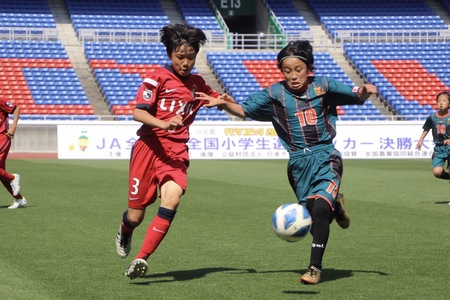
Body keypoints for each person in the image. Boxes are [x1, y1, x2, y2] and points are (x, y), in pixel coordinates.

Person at [198, 40, 377, 285]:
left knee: (320, 208)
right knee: (315, 219)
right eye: (287, 71)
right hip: (298, 165)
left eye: (298, 70)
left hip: (326, 156)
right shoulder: (274, 94)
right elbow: (243, 111)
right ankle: (337, 207)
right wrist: (224, 103)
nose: (293, 76)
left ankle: (314, 268)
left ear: (309, 68)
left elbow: (357, 96)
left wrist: (365, 91)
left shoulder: (323, 85)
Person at [115, 23, 222, 279]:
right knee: (135, 216)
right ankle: (125, 229)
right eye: (180, 57)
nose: (186, 62)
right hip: (148, 148)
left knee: (171, 200)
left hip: (175, 152)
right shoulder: (157, 77)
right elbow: (137, 112)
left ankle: (141, 258)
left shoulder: (197, 83)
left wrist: (222, 102)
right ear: (169, 54)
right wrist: (163, 122)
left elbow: (219, 99)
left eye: (191, 57)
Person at [416, 91, 450, 185]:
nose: (441, 103)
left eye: (444, 101)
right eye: (439, 101)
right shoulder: (432, 117)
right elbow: (426, 128)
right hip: (439, 148)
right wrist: (420, 140)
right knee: (437, 172)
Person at [0, 97, 26, 209]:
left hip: (2, 137)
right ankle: (20, 199)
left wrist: (14, 127)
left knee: (3, 175)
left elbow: (16, 109)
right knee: (1, 175)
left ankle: (13, 178)